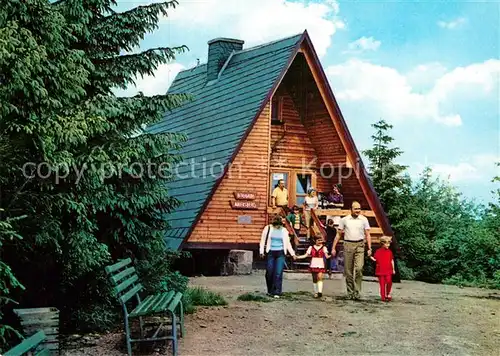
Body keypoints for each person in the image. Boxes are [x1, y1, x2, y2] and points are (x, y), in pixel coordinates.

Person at [331, 201, 372, 300]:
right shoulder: (344, 220)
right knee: (348, 271)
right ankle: (350, 292)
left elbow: (367, 234)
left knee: (359, 268)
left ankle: (357, 292)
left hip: (360, 245)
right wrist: (333, 247)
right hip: (348, 244)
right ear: (351, 209)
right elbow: (338, 234)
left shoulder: (364, 219)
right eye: (356, 209)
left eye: (359, 209)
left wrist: (369, 248)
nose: (358, 211)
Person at [259, 214, 296, 298]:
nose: (278, 227)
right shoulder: (268, 228)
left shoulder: (284, 231)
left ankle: (277, 292)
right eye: (276, 225)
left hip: (281, 253)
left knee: (278, 273)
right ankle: (270, 290)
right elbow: (262, 241)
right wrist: (261, 251)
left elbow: (287, 243)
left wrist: (292, 253)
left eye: (279, 225)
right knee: (269, 272)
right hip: (271, 252)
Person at [370, 236, 395, 302]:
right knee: (382, 284)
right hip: (380, 270)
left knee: (389, 281)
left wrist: (393, 269)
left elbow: (391, 260)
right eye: (386, 243)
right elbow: (375, 259)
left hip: (388, 270)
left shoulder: (389, 252)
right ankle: (383, 296)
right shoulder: (378, 251)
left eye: (389, 243)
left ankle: (388, 293)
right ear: (382, 244)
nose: (388, 245)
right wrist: (370, 256)